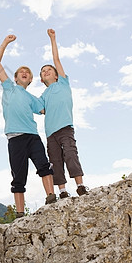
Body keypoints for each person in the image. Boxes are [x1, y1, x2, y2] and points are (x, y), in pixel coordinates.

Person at [0, 34, 56, 217]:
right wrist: (5, 42)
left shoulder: (32, 98)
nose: (25, 72)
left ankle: (51, 196)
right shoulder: (9, 88)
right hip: (15, 139)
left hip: (33, 137)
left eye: (28, 73)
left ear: (30, 80)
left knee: (44, 165)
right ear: (15, 77)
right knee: (18, 177)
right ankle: (20, 213)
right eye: (22, 71)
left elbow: (46, 109)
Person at [39, 29, 88, 199]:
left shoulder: (63, 83)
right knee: (55, 161)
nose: (46, 72)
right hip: (50, 134)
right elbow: (37, 108)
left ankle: (80, 186)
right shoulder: (43, 96)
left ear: (57, 75)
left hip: (66, 128)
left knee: (70, 155)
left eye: (49, 70)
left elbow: (56, 59)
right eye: (43, 71)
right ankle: (62, 191)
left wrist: (53, 38)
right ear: (40, 79)